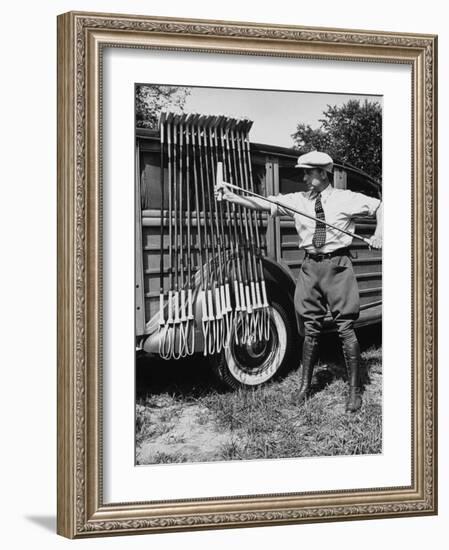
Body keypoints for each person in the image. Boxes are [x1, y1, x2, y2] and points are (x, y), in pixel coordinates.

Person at [215, 151, 382, 412]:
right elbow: (262, 202)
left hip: (337, 266)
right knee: (310, 329)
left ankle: (354, 390)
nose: (303, 177)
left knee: (345, 328)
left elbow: (382, 206)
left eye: (307, 172)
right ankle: (304, 387)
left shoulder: (345, 198)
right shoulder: (297, 200)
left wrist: (379, 232)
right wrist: (231, 196)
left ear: (322, 173)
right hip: (310, 267)